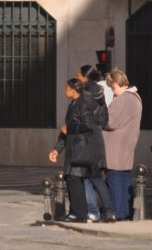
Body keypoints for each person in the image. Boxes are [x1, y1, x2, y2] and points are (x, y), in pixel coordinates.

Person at [48, 77, 115, 223]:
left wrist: (71, 129)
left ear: (73, 90)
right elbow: (66, 132)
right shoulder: (73, 104)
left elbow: (89, 125)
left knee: (75, 178)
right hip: (73, 146)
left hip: (81, 148)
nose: (65, 91)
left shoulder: (83, 104)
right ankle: (77, 212)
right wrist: (57, 150)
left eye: (66, 88)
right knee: (71, 178)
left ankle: (79, 213)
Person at [103, 69, 142, 220]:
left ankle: (118, 213)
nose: (112, 90)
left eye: (112, 87)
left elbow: (110, 121)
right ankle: (126, 212)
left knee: (115, 182)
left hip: (115, 148)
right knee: (125, 181)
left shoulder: (124, 99)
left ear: (116, 83)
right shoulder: (135, 97)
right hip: (126, 145)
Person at [76, 64, 108, 220]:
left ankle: (93, 211)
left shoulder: (85, 93)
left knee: (86, 177)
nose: (77, 78)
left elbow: (83, 118)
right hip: (98, 138)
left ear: (85, 77)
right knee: (97, 178)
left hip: (87, 140)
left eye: (79, 75)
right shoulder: (101, 91)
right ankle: (110, 210)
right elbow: (105, 118)